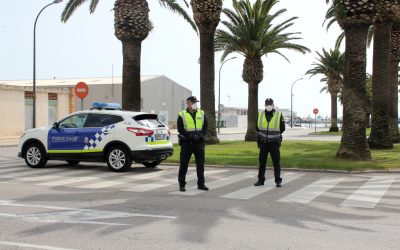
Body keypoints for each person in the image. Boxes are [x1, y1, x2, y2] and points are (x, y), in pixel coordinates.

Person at [177, 96, 209, 192]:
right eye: (193, 102)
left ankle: (201, 184)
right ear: (188, 103)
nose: (195, 104)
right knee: (184, 164)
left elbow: (205, 127)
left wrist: (200, 135)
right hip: (187, 143)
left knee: (200, 164)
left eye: (196, 102)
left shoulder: (201, 113)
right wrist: (190, 135)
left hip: (199, 142)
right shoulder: (182, 114)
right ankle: (182, 184)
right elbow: (180, 129)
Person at [254, 98, 285, 188]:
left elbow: (282, 128)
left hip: (274, 143)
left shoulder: (278, 114)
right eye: (267, 104)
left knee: (276, 162)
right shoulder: (260, 114)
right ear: (264, 105)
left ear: (273, 104)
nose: (268, 105)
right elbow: (257, 127)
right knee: (262, 162)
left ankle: (278, 180)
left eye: (270, 104)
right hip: (263, 142)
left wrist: (274, 135)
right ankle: (261, 180)